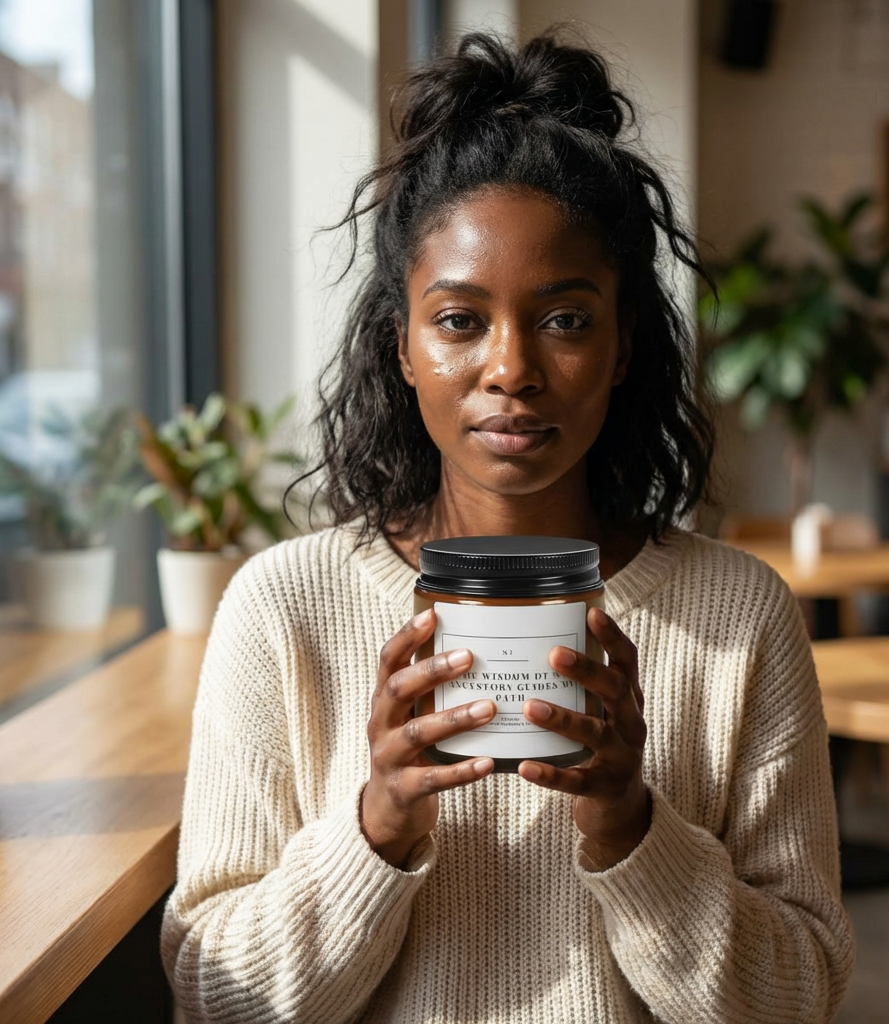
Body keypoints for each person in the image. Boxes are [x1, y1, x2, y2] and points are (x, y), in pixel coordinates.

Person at [161, 32, 853, 1023]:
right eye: (458, 319)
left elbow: (796, 995)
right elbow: (212, 990)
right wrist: (379, 822)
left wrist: (629, 824)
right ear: (399, 343)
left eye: (566, 319)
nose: (512, 368)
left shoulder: (738, 618)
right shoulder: (283, 608)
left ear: (622, 347)